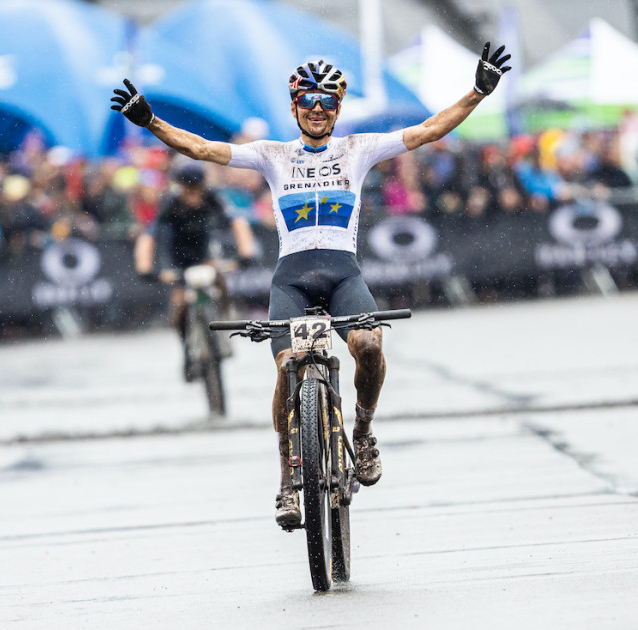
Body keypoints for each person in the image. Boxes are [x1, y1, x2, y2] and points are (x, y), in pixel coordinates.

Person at [112, 42, 511, 527]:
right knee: (286, 368)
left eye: (327, 101)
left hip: (343, 274)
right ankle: (286, 483)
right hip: (293, 280)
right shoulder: (271, 155)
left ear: (338, 108)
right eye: (308, 101)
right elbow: (201, 149)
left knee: (367, 342)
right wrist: (152, 122)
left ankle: (361, 432)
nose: (318, 109)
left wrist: (476, 93)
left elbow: (428, 130)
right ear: (295, 107)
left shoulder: (358, 149)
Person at [134, 162, 256, 380]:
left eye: (197, 189)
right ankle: (187, 351)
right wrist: (145, 268)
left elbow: (238, 222)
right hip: (178, 260)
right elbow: (148, 236)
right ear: (179, 187)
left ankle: (224, 329)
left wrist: (246, 252)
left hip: (205, 254)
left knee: (219, 280)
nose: (193, 196)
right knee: (180, 306)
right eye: (188, 190)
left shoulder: (212, 198)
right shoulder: (169, 204)